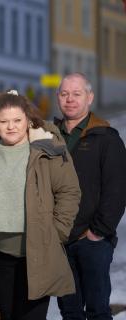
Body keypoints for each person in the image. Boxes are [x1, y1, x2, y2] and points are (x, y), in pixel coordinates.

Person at [0, 90, 81, 320]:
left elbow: (69, 191)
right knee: (7, 316)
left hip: (38, 250)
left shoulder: (46, 149)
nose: (11, 127)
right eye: (4, 121)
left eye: (17, 120)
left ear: (28, 119)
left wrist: (56, 231)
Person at [55, 73, 126, 320]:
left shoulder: (106, 138)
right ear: (58, 98)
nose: (70, 100)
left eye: (77, 94)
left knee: (98, 311)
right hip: (60, 241)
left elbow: (116, 191)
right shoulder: (50, 137)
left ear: (90, 97)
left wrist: (98, 232)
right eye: (64, 94)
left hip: (93, 241)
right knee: (70, 312)